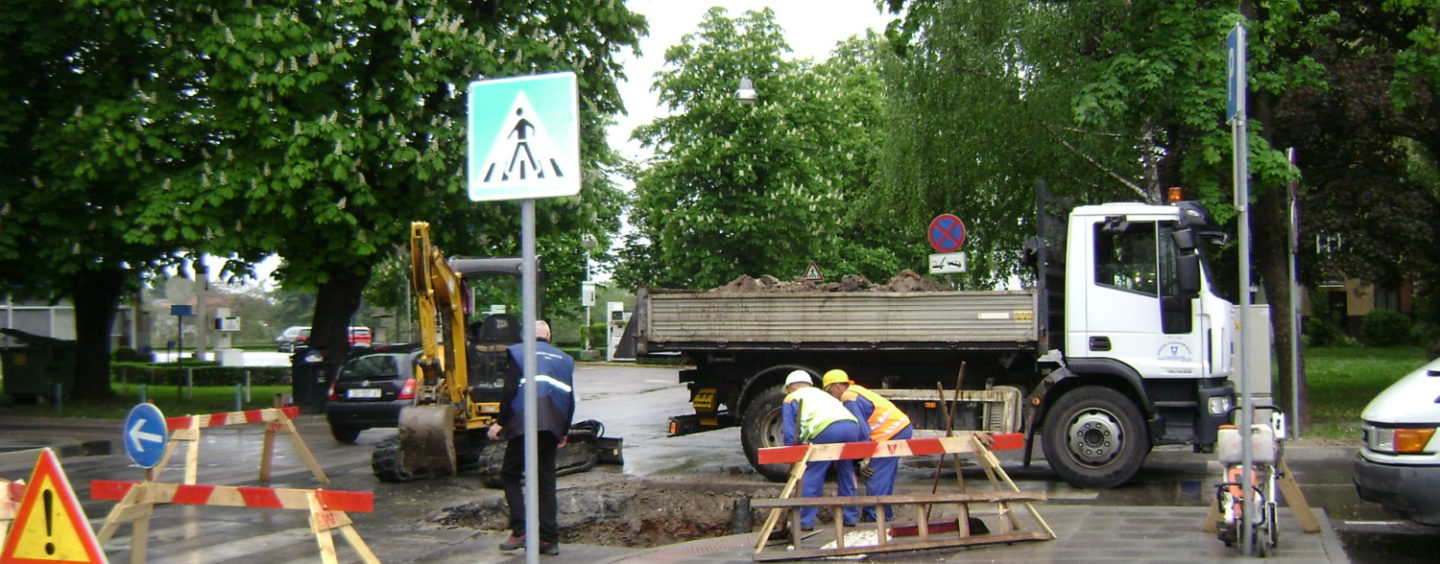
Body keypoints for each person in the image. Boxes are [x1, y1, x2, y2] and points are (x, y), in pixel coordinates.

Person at [488, 319, 574, 556]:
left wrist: (500, 423)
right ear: (549, 336)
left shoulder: (518, 353)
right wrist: (564, 430)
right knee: (546, 481)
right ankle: (549, 539)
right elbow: (569, 397)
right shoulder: (565, 359)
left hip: (524, 423)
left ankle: (521, 530)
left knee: (510, 475)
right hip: (552, 425)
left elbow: (510, 391)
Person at [822, 369, 913, 523]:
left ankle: (875, 517)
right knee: (885, 476)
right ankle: (885, 514)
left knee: (875, 475)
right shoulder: (856, 391)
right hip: (898, 429)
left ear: (837, 386)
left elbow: (862, 429)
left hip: (890, 433)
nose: (831, 395)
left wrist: (865, 457)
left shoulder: (848, 398)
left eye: (829, 390)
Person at [781, 369, 868, 530]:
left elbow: (789, 431)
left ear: (791, 387)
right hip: (851, 427)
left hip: (826, 430)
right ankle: (850, 517)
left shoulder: (791, 398)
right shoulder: (823, 395)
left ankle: (804, 522)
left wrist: (793, 452)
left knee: (813, 472)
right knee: (846, 469)